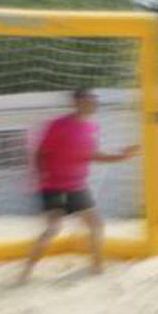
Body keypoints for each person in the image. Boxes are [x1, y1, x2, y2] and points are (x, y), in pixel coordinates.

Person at [18, 88, 138, 284]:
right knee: (53, 229)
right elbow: (40, 153)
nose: (95, 103)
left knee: (96, 225)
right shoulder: (58, 125)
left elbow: (93, 156)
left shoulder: (91, 127)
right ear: (77, 102)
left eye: (95, 99)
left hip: (77, 186)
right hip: (55, 185)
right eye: (91, 99)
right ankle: (26, 273)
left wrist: (122, 156)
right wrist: (43, 178)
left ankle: (97, 268)